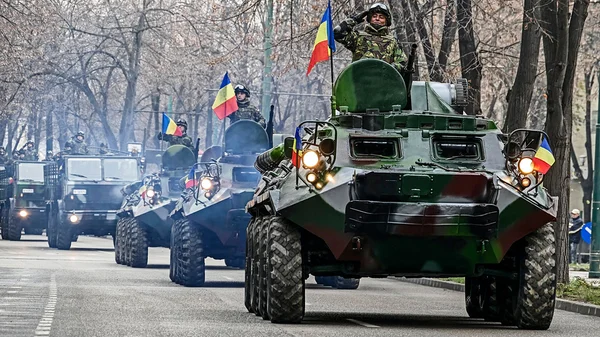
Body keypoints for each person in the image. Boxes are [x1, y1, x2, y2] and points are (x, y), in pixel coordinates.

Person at [333, 2, 407, 73]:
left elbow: (402, 63)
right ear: (370, 19)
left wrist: (390, 68)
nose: (377, 19)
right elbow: (338, 33)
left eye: (381, 17)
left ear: (386, 21)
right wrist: (354, 20)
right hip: (359, 81)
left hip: (383, 82)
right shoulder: (358, 37)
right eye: (374, 16)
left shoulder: (393, 41)